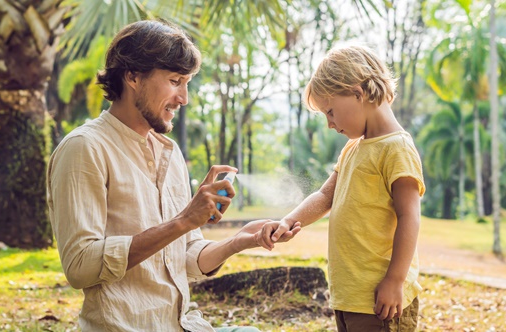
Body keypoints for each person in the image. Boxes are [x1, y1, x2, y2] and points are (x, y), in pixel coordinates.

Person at [46, 19, 300, 332]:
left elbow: (188, 260)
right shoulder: (85, 148)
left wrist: (240, 241)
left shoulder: (169, 152)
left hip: (184, 325)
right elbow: (80, 267)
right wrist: (182, 221)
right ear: (133, 76)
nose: (184, 98)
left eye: (187, 83)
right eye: (175, 81)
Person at [261, 45, 426, 332]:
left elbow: (409, 216)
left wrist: (395, 280)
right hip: (350, 296)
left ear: (358, 94)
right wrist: (289, 220)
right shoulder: (353, 148)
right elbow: (326, 196)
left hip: (381, 300)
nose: (329, 124)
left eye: (330, 112)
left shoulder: (396, 148)